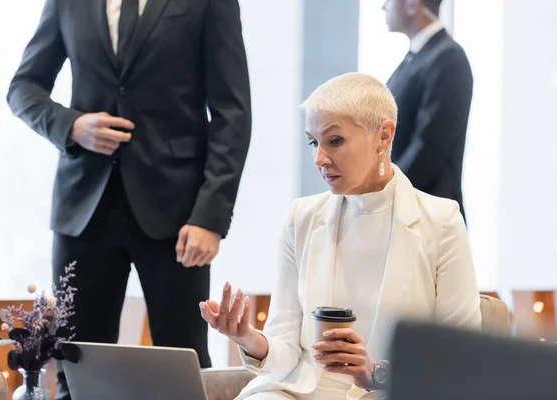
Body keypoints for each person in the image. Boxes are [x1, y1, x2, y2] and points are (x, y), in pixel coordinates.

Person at [6, 0, 251, 398]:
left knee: (183, 366)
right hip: (82, 209)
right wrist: (72, 126)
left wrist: (210, 214)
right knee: (77, 368)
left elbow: (232, 111)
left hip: (179, 215)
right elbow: (23, 88)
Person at [200, 73, 481, 400]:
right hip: (301, 392)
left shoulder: (440, 221)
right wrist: (248, 338)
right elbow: (287, 351)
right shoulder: (301, 218)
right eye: (313, 142)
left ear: (383, 136)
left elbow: (461, 358)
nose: (320, 158)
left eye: (334, 141)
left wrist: (375, 372)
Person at [383, 0, 473, 221]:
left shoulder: (448, 58)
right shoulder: (417, 57)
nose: (383, 7)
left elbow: (430, 147)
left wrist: (385, 190)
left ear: (413, 4)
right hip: (409, 212)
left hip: (430, 219)